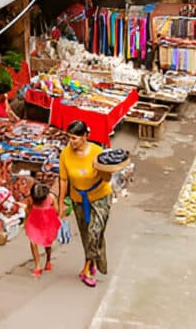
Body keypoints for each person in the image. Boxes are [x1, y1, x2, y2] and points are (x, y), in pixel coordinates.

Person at [58, 120, 113, 288]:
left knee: (95, 231)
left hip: (100, 197)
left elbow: (107, 178)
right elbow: (63, 180)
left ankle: (86, 269)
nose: (71, 142)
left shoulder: (97, 152)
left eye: (74, 138)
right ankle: (92, 261)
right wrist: (61, 204)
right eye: (69, 138)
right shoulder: (65, 154)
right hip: (78, 199)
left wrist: (105, 169)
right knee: (86, 235)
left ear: (84, 137)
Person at [24, 182, 60, 277]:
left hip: (47, 223)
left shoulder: (51, 197)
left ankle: (48, 260)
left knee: (47, 244)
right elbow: (28, 210)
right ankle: (38, 266)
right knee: (33, 242)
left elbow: (57, 211)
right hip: (35, 221)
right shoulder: (31, 199)